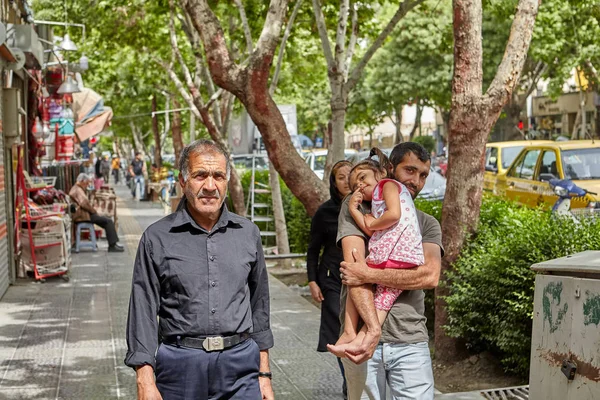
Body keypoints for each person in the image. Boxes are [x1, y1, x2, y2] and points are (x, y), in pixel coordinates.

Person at [125, 139, 274, 400]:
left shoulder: (248, 234)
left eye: (218, 176)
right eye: (200, 176)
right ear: (183, 182)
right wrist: (145, 379)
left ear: (226, 181)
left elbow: (259, 306)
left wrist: (264, 375)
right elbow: (143, 310)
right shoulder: (156, 238)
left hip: (241, 366)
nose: (210, 186)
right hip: (180, 366)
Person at [337, 142, 443, 400]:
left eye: (423, 175)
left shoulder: (427, 224)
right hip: (361, 346)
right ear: (389, 169)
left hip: (411, 342)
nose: (416, 180)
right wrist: (369, 330)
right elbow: (353, 270)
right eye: (410, 170)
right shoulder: (358, 210)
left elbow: (429, 276)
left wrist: (369, 274)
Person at [328, 148, 424, 358]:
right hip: (399, 256)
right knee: (382, 301)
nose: (359, 186)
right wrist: (355, 210)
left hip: (394, 253)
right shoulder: (372, 202)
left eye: (362, 178)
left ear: (383, 172)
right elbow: (371, 228)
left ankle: (351, 331)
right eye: (355, 186)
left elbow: (393, 215)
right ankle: (362, 338)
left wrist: (373, 221)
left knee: (355, 268)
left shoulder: (387, 185)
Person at [306, 160, 352, 399]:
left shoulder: (368, 207)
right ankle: (349, 384)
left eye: (350, 176)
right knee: (340, 334)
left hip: (361, 281)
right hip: (332, 280)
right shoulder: (325, 212)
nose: (346, 181)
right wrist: (312, 281)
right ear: (333, 183)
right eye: (340, 177)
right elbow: (313, 249)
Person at [69, 173, 124, 253]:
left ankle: (113, 243)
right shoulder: (77, 190)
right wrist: (93, 211)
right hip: (83, 216)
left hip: (85, 214)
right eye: (86, 183)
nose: (87, 185)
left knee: (106, 221)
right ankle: (112, 245)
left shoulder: (77, 188)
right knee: (108, 221)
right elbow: (84, 203)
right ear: (82, 181)